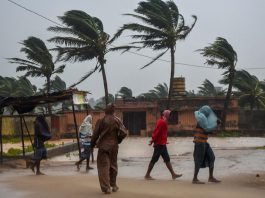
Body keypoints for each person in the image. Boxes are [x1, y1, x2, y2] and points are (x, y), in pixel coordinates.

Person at [91, 103, 127, 194]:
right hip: (114, 146)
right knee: (113, 165)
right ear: (113, 111)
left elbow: (95, 135)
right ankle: (113, 185)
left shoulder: (101, 120)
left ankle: (106, 188)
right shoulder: (117, 120)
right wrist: (118, 140)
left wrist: (92, 145)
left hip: (103, 147)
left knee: (103, 166)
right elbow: (124, 133)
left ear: (105, 111)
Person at [144, 110, 182, 180]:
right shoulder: (162, 122)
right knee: (154, 159)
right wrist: (153, 140)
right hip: (159, 144)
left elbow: (159, 132)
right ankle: (147, 175)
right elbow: (157, 132)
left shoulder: (162, 121)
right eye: (169, 115)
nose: (170, 116)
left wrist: (153, 140)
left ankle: (173, 174)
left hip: (162, 143)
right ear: (167, 115)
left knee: (167, 159)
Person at [192, 105, 221, 184]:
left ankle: (210, 177)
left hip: (204, 142)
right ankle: (195, 179)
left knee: (212, 157)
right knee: (198, 160)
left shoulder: (204, 120)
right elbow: (207, 130)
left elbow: (209, 130)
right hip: (199, 142)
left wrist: (215, 125)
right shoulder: (201, 120)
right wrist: (216, 124)